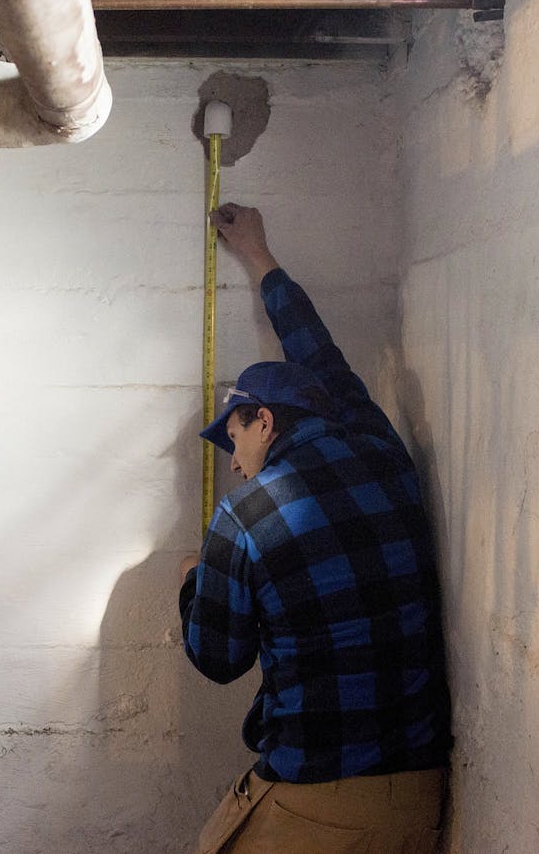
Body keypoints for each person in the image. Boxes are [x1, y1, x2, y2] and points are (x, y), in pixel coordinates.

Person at [179, 203, 451, 854]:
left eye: (234, 436)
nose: (236, 464)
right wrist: (261, 258)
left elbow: (217, 659)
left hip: (318, 799)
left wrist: (193, 583)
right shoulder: (380, 447)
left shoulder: (245, 517)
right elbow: (322, 360)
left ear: (265, 422)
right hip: (421, 792)